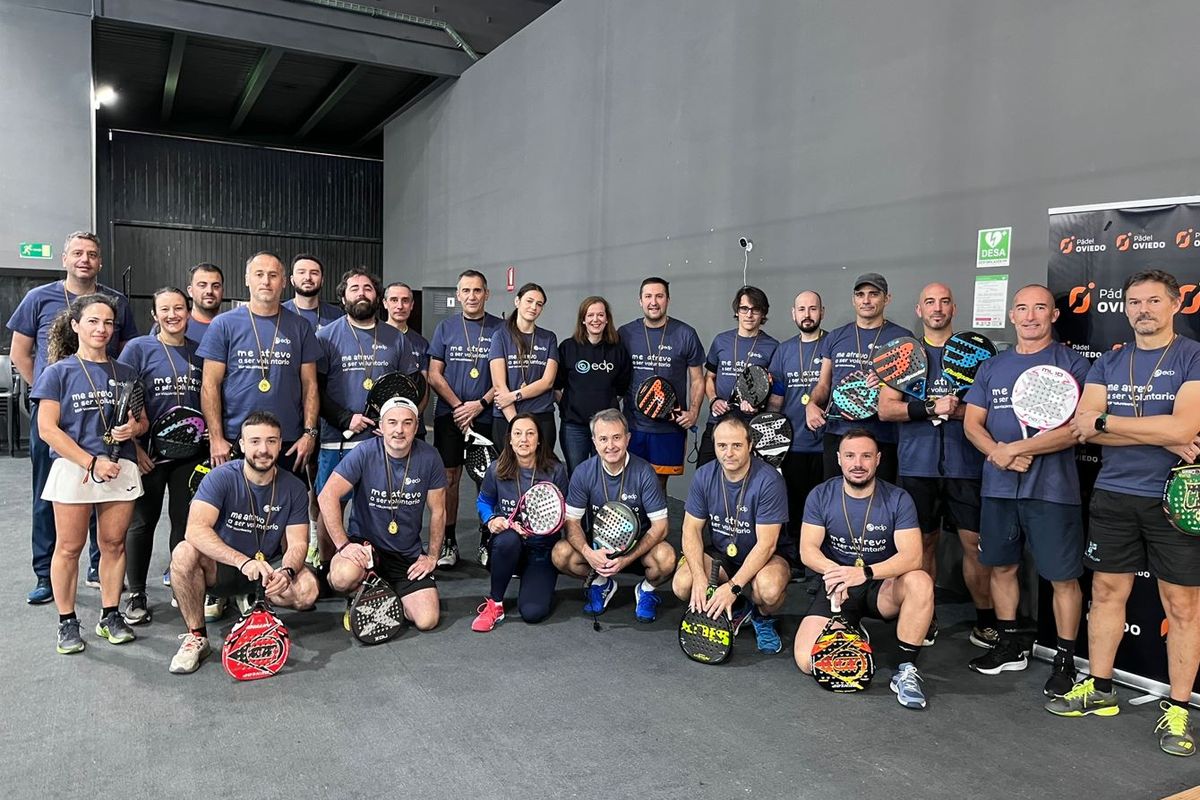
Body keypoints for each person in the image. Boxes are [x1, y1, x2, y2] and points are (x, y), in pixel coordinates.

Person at [1049, 269, 1200, 757]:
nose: (1142, 310)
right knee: (1107, 594)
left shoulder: (1193, 356)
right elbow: (1083, 429)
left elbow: (1187, 425)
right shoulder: (1110, 364)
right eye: (1134, 302)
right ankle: (1101, 688)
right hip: (1114, 493)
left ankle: (1178, 708)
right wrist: (1159, 432)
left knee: (1183, 606)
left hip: (1173, 498)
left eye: (1154, 301)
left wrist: (1110, 421)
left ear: (1175, 305)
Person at [962, 284, 1089, 698]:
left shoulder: (1073, 363)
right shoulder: (992, 367)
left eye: (1040, 308)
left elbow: (1076, 429)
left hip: (1053, 490)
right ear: (1011, 316)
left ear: (1054, 315)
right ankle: (1011, 641)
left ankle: (1066, 660)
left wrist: (1018, 448)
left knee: (1063, 577)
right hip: (999, 489)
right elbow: (971, 424)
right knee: (1001, 567)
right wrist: (999, 454)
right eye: (1022, 308)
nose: (1030, 315)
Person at [8, 231, 138, 604]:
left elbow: (125, 353)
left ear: (100, 262)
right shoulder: (39, 298)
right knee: (49, 494)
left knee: (105, 486)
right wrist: (49, 392)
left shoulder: (117, 302)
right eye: (78, 253)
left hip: (103, 410)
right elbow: (21, 352)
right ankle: (45, 574)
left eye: (92, 254)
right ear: (64, 258)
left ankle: (100, 567)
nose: (85, 259)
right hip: (55, 412)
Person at [877, 283, 994, 649]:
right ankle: (923, 616)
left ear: (954, 308)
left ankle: (986, 620)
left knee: (974, 546)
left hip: (966, 466)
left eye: (944, 301)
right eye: (930, 301)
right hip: (918, 466)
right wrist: (929, 408)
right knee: (922, 545)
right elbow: (886, 409)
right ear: (919, 309)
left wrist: (957, 410)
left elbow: (986, 409)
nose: (937, 308)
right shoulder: (904, 354)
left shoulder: (977, 355)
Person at [32, 294, 147, 654]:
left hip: (120, 467)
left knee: (113, 544)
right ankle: (67, 622)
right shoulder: (58, 372)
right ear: (76, 325)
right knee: (69, 547)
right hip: (76, 467)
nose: (102, 329)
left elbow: (141, 421)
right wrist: (91, 462)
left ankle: (110, 615)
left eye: (108, 323)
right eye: (94, 321)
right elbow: (48, 429)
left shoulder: (126, 373)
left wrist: (134, 431)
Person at [167, 412, 318, 674]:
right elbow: (195, 530)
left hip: (264, 573)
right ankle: (197, 636)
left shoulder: (293, 487)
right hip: (225, 567)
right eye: (255, 441)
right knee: (183, 553)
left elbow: (297, 544)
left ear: (280, 444)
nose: (263, 449)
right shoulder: (221, 477)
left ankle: (250, 598)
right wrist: (241, 561)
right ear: (242, 445)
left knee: (307, 592)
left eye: (271, 441)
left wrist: (288, 570)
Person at [794, 429, 934, 709]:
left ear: (878, 459)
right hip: (838, 588)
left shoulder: (897, 498)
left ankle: (905, 669)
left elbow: (913, 556)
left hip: (882, 586)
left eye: (866, 456)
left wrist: (865, 573)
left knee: (920, 581)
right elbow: (807, 550)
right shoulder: (821, 495)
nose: (858, 463)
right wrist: (836, 574)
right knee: (809, 661)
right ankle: (852, 626)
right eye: (850, 456)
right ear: (839, 459)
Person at [319, 398, 446, 633]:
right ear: (382, 426)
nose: (399, 430)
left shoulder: (430, 457)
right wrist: (343, 545)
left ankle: (382, 590)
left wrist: (432, 556)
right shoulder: (364, 452)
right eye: (393, 422)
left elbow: (438, 511)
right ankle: (360, 591)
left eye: (407, 423)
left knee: (427, 620)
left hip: (405, 555)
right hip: (366, 549)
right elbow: (327, 496)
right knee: (342, 577)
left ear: (416, 427)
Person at [118, 287, 205, 624]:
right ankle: (137, 592)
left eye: (179, 308)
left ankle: (179, 583)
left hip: (189, 454)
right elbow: (123, 403)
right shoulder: (139, 349)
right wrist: (135, 448)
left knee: (185, 523)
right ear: (154, 315)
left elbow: (209, 396)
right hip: (149, 455)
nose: (173, 315)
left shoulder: (199, 352)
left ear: (188, 311)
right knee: (142, 523)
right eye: (165, 309)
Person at [673, 415, 790, 653]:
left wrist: (734, 586)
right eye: (722, 445)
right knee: (682, 584)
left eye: (736, 445)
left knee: (768, 590)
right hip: (722, 554)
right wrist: (699, 577)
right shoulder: (705, 475)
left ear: (750, 445)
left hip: (766, 555)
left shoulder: (769, 480)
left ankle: (762, 617)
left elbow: (767, 545)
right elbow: (690, 529)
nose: (729, 453)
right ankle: (739, 608)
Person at [197, 251, 321, 474]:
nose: (266, 281)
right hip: (238, 438)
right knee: (237, 507)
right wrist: (216, 438)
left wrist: (309, 434)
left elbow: (310, 386)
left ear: (283, 281)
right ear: (247, 279)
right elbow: (209, 385)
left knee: (288, 505)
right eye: (259, 274)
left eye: (273, 275)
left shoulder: (300, 327)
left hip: (288, 441)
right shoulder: (223, 324)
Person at [314, 269, 405, 566]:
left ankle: (380, 567)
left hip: (381, 440)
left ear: (377, 297)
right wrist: (344, 418)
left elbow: (410, 385)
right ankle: (328, 567)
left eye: (368, 288)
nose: (361, 293)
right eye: (354, 289)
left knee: (380, 506)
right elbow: (315, 389)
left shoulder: (395, 338)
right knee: (331, 506)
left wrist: (392, 421)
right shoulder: (325, 336)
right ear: (343, 297)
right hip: (337, 439)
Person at [553, 409, 675, 622]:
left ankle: (647, 590)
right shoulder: (583, 472)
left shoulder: (644, 472)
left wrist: (626, 559)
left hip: (637, 548)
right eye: (603, 439)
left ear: (628, 439)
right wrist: (588, 553)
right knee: (560, 554)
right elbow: (571, 521)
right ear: (594, 441)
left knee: (666, 558)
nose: (610, 446)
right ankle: (601, 582)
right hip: (599, 549)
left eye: (617, 437)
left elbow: (661, 527)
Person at [427, 269, 503, 567]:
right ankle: (448, 542)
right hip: (449, 415)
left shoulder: (500, 329)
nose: (472, 296)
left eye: (477, 291)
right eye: (466, 291)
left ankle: (487, 540)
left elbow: (504, 377)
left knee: (489, 479)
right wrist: (460, 406)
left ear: (487, 294)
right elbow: (434, 374)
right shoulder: (445, 327)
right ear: (458, 295)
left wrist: (479, 404)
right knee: (449, 479)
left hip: (487, 414)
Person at [806, 273, 913, 482]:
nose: (866, 300)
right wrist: (811, 404)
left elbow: (909, 388)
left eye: (873, 294)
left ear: (887, 298)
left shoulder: (902, 337)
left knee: (880, 503)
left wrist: (885, 386)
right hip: (838, 433)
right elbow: (823, 385)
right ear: (853, 299)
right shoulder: (835, 337)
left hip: (882, 436)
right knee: (835, 499)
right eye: (860, 294)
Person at [471, 413, 570, 631]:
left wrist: (539, 530)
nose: (523, 439)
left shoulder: (556, 471)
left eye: (530, 433)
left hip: (541, 550)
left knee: (533, 613)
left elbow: (565, 515)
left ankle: (534, 577)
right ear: (510, 439)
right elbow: (484, 501)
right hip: (509, 544)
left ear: (539, 439)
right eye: (518, 434)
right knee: (507, 540)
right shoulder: (497, 469)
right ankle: (495, 603)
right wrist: (491, 519)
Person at [618, 277, 706, 492]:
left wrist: (694, 411)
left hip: (669, 427)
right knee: (628, 485)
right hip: (632, 426)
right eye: (648, 296)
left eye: (659, 296)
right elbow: (615, 377)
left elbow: (697, 379)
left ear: (668, 300)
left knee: (658, 486)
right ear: (640, 301)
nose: (653, 302)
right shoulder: (625, 333)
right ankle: (636, 527)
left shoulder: (685, 334)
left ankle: (659, 527)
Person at [767, 290, 826, 570]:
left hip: (828, 444)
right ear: (793, 314)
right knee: (795, 506)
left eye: (812, 309)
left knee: (825, 509)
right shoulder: (784, 350)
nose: (807, 314)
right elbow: (777, 399)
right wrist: (768, 435)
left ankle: (822, 566)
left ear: (821, 312)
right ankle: (798, 563)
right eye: (801, 309)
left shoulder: (832, 345)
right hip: (793, 445)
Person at [698, 285, 779, 466]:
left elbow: (774, 389)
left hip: (750, 426)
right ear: (737, 311)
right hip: (718, 422)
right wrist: (713, 400)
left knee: (745, 479)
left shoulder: (772, 346)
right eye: (744, 309)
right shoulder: (721, 341)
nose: (749, 315)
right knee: (706, 475)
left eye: (755, 309)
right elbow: (709, 377)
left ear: (763, 313)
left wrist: (758, 406)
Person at [554, 295, 631, 472]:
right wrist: (569, 405)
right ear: (583, 319)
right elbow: (556, 386)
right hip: (574, 427)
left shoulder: (617, 349)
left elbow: (622, 387)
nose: (595, 319)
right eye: (590, 315)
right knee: (577, 473)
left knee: (605, 473)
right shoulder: (568, 347)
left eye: (600, 315)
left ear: (606, 319)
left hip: (607, 429)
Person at [489, 281, 559, 450]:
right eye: (529, 301)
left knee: (542, 471)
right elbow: (499, 385)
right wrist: (517, 425)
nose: (533, 307)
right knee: (508, 472)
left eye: (539, 304)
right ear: (517, 301)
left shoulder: (548, 338)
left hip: (541, 416)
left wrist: (514, 396)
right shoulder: (500, 336)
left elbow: (547, 382)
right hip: (507, 417)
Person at [383, 281, 431, 437]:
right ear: (385, 303)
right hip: (380, 428)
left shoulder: (421, 343)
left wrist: (413, 417)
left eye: (405, 300)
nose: (400, 306)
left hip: (413, 426)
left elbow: (424, 388)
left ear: (412, 305)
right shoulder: (375, 337)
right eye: (394, 300)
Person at [283, 253, 344, 331]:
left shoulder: (337, 316)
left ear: (322, 280)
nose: (308, 277)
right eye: (301, 272)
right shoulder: (279, 314)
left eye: (314, 273)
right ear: (292, 280)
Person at [184, 262, 224, 345]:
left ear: (222, 291)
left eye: (215, 286)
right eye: (202, 285)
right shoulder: (175, 325)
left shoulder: (232, 326)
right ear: (190, 291)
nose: (209, 291)